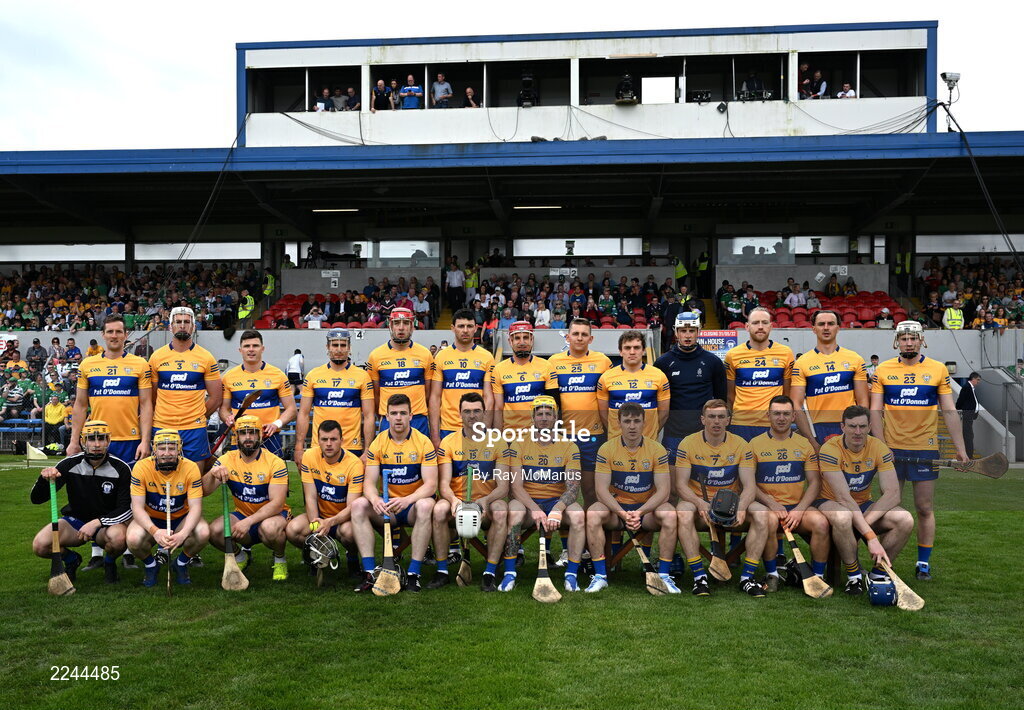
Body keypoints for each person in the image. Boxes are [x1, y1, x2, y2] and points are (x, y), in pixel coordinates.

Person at [869, 320, 968, 581]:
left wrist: (961, 449)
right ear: (896, 342)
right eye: (904, 339)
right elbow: (875, 411)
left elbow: (949, 411)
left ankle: (923, 563)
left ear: (922, 340)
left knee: (924, 507)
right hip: (891, 449)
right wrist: (880, 446)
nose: (909, 342)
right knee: (890, 509)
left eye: (913, 338)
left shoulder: (936, 370)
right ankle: (883, 559)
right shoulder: (884, 370)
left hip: (925, 449)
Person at [672, 400, 770, 597]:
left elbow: (750, 485)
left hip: (731, 504)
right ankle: (699, 577)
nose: (716, 421)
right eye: (711, 417)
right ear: (702, 419)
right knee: (682, 511)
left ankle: (747, 578)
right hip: (698, 501)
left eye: (721, 417)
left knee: (761, 513)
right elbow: (681, 485)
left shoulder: (741, 445)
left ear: (728, 420)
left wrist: (741, 507)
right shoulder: (687, 443)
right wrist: (700, 503)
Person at [815, 405, 914, 595]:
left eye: (862, 426)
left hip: (863, 505)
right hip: (830, 501)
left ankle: (878, 574)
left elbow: (893, 493)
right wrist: (869, 536)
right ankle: (854, 577)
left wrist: (863, 525)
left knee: (905, 519)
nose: (857, 432)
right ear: (842, 427)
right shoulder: (829, 449)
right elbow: (843, 497)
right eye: (852, 426)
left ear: (870, 427)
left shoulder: (878, 447)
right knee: (844, 517)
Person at [584, 403, 679, 593]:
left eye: (637, 421)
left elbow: (664, 491)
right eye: (627, 421)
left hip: (646, 510)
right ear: (619, 423)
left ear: (644, 423)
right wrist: (622, 513)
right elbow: (601, 490)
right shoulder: (606, 448)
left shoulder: (657, 449)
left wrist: (640, 512)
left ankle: (664, 576)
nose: (632, 426)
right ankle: (601, 575)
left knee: (670, 513)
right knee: (593, 513)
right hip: (616, 510)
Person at [349, 394, 438, 593]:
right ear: (386, 417)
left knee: (426, 505)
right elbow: (369, 483)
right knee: (358, 506)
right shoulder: (377, 443)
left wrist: (407, 500)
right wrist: (375, 499)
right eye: (394, 413)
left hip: (412, 506)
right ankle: (370, 573)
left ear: (411, 416)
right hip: (388, 508)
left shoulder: (423, 442)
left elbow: (431, 485)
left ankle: (414, 574)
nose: (398, 418)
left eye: (403, 413)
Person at [30, 421, 133, 585]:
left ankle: (109, 563)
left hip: (105, 524)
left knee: (118, 539)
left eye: (102, 439)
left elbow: (126, 509)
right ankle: (72, 560)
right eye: (91, 439)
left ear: (109, 441)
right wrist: (44, 480)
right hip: (75, 523)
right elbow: (37, 499)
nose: (97, 444)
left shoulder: (121, 468)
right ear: (83, 441)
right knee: (41, 545)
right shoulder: (69, 464)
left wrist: (97, 523)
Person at [502, 397, 584, 592]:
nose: (544, 418)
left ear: (556, 417)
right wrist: (535, 509)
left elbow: (573, 487)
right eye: (540, 414)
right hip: (527, 500)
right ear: (533, 417)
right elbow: (515, 487)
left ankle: (571, 574)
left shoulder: (569, 446)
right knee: (513, 512)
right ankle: (509, 573)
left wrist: (556, 509)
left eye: (549, 414)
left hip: (556, 500)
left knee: (579, 516)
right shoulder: (519, 443)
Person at [750, 396, 830, 592]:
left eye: (786, 414)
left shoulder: (804, 445)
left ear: (794, 416)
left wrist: (800, 510)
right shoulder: (754, 444)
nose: (781, 418)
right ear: (768, 415)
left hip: (797, 508)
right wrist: (771, 503)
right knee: (768, 521)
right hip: (769, 507)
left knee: (821, 523)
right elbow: (749, 483)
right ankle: (772, 575)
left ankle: (816, 577)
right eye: (776, 413)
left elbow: (814, 483)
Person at [434, 392, 509, 591]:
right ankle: (442, 572)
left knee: (501, 509)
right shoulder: (448, 442)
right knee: (439, 509)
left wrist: (485, 500)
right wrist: (452, 500)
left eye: (476, 411)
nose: (472, 415)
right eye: (467, 411)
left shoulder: (498, 442)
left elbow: (503, 486)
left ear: (484, 413)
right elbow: (443, 484)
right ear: (459, 414)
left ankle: (489, 572)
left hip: (485, 504)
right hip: (457, 503)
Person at [202, 416, 290, 581]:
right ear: (237, 436)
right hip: (242, 514)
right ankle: (240, 557)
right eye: (243, 433)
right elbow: (204, 491)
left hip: (273, 517)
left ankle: (280, 559)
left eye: (252, 433)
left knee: (270, 528)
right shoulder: (226, 459)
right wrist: (212, 474)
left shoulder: (275, 462)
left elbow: (277, 504)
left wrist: (248, 522)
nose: (248, 437)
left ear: (260, 435)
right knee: (214, 531)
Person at [126, 429, 210, 587]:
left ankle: (181, 563)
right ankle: (151, 565)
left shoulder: (191, 467)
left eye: (171, 448)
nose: (166, 453)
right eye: (162, 448)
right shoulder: (141, 467)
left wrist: (183, 534)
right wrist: (155, 531)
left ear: (179, 448)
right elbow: (137, 508)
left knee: (203, 532)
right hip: (151, 517)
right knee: (133, 539)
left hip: (180, 518)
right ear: (154, 449)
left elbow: (196, 508)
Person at [547, 318, 612, 512]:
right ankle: (568, 540)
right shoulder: (553, 362)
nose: (579, 338)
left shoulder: (603, 361)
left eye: (584, 334)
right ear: (567, 337)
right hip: (564, 437)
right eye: (575, 334)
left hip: (593, 436)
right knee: (560, 492)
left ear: (591, 338)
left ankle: (588, 538)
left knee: (591, 491)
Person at [69, 314, 153, 465]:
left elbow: (146, 405)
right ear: (103, 335)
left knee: (129, 489)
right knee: (97, 488)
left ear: (126, 335)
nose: (114, 336)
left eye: (119, 332)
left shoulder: (140, 364)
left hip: (130, 440)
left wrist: (145, 441)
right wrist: (74, 441)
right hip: (97, 440)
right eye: (110, 332)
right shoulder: (87, 364)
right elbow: (80, 405)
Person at [285, 419, 365, 577]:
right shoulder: (309, 456)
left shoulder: (354, 464)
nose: (329, 444)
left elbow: (352, 506)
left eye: (333, 439)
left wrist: (331, 522)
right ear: (318, 440)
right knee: (293, 530)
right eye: (324, 439)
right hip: (319, 516)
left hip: (342, 519)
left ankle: (353, 558)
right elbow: (310, 496)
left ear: (342, 441)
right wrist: (316, 524)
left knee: (351, 532)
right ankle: (316, 555)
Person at [148, 307, 222, 468]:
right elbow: (151, 398)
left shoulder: (206, 357)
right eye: (178, 322)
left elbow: (216, 398)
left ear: (193, 326)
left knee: (194, 481)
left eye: (187, 322)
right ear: (170, 326)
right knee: (161, 482)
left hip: (194, 429)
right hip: (162, 426)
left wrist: (197, 415)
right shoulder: (156, 357)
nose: (182, 325)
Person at [655, 312, 727, 464]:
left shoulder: (713, 362)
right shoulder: (663, 363)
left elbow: (721, 400)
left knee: (704, 482)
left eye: (692, 330)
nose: (687, 335)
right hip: (673, 434)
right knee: (674, 485)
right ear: (676, 332)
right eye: (683, 331)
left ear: (698, 332)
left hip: (704, 434)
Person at [790, 310, 868, 448]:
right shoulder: (802, 362)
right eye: (821, 324)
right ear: (813, 329)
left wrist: (858, 430)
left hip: (849, 426)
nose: (826, 328)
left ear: (838, 328)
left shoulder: (855, 359)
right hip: (817, 429)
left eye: (831, 324)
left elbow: (862, 401)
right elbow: (796, 405)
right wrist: (811, 440)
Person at [295, 329, 375, 465]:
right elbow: (303, 413)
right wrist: (299, 446)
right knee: (315, 486)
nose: (339, 349)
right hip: (319, 446)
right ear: (327, 347)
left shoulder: (362, 376)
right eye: (334, 345)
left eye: (343, 345)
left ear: (349, 348)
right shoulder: (313, 375)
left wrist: (368, 449)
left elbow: (369, 416)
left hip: (351, 446)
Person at [219, 330, 296, 458]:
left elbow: (292, 409)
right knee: (238, 477)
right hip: (241, 437)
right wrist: (228, 418)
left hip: (268, 436)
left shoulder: (278, 375)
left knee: (274, 477)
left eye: (255, 346)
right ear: (240, 350)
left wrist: (276, 424)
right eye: (246, 346)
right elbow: (224, 410)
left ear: (262, 348)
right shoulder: (228, 377)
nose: (251, 349)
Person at [428, 309, 495, 448]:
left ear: (476, 328)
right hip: (448, 429)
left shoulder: (487, 357)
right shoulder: (441, 356)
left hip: (475, 429)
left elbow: (489, 398)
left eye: (470, 326)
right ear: (453, 328)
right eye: (461, 326)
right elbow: (435, 397)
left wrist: (484, 429)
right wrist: (435, 436)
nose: (465, 330)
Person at [725, 307, 794, 441]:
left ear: (771, 326)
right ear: (747, 326)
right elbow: (730, 395)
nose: (760, 327)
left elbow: (787, 393)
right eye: (756, 323)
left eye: (764, 322)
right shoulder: (733, 355)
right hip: (741, 424)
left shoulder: (786, 353)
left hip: (773, 423)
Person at [366, 308, 434, 437]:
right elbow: (375, 395)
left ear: (412, 326)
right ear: (390, 325)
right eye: (397, 323)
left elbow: (428, 393)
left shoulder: (425, 354)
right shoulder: (375, 355)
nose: (401, 328)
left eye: (406, 323)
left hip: (418, 419)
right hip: (389, 421)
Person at [597, 330, 670, 441]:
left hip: (648, 443)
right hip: (616, 444)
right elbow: (603, 414)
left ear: (643, 351)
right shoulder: (606, 377)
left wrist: (651, 433)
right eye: (627, 348)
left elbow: (663, 413)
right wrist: (616, 432)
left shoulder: (659, 376)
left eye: (636, 348)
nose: (632, 352)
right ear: (620, 352)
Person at [490, 321, 556, 432]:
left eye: (526, 337)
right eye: (517, 338)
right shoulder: (499, 369)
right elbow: (498, 408)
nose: (522, 342)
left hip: (538, 436)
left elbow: (554, 406)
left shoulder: (547, 366)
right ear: (510, 341)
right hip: (511, 435)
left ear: (532, 340)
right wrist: (498, 438)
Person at [956, 372, 981, 460]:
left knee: (969, 435)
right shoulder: (966, 387)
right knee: (968, 435)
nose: (978, 382)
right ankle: (968, 456)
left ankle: (969, 455)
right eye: (977, 380)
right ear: (973, 379)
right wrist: (957, 408)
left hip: (970, 414)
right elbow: (961, 399)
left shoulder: (970, 388)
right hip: (967, 413)